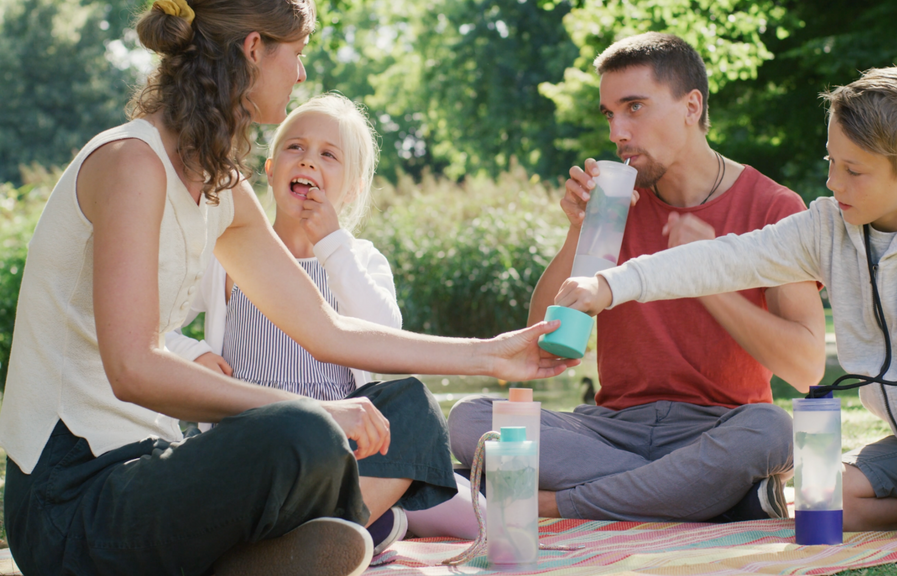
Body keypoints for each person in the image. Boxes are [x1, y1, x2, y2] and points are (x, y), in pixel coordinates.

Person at [0, 2, 575, 575]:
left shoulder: (216, 182)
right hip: (68, 503)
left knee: (382, 411)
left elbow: (327, 328)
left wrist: (494, 353)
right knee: (304, 431)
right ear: (254, 49)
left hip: (151, 471)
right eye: (296, 54)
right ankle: (272, 552)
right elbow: (134, 369)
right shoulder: (132, 163)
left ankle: (250, 560)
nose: (301, 73)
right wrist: (318, 410)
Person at [554, 65, 897, 541]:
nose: (833, 183)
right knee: (820, 501)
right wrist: (611, 285)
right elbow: (727, 258)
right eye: (831, 162)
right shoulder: (829, 226)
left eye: (853, 171)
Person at [448, 32, 826, 523]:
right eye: (609, 113)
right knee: (470, 420)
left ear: (691, 106)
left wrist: (703, 270)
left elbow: (806, 367)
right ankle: (707, 493)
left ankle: (557, 502)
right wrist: (578, 237)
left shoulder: (775, 208)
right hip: (612, 428)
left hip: (722, 425)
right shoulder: (615, 205)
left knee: (776, 430)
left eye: (634, 108)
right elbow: (546, 338)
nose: (616, 132)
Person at [165, 93, 483, 550]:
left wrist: (332, 242)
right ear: (272, 170)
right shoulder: (227, 256)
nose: (309, 161)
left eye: (328, 155)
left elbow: (387, 339)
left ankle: (347, 526)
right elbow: (155, 325)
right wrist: (192, 351)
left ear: (351, 189)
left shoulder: (359, 260)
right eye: (295, 148)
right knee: (419, 495)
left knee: (419, 413)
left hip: (343, 451)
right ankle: (365, 526)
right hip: (255, 438)